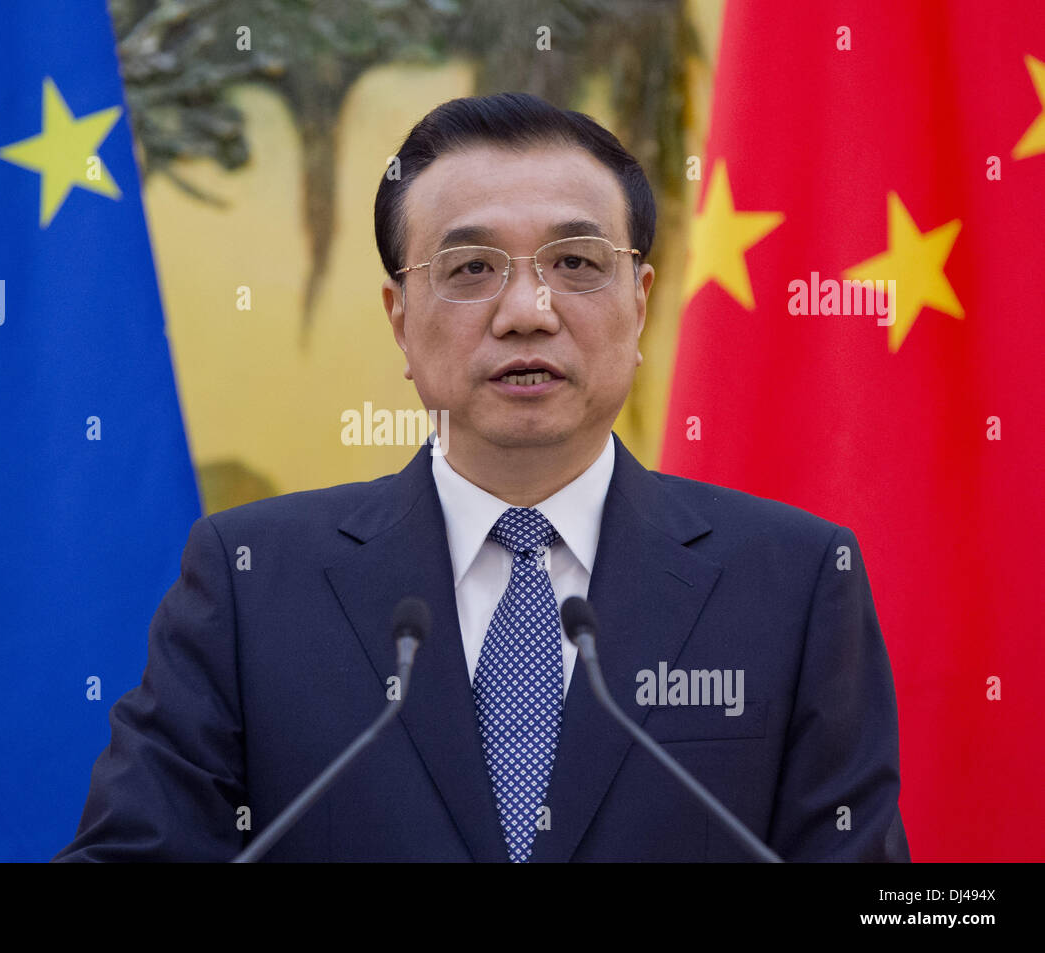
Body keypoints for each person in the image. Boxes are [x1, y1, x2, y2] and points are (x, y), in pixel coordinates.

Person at [54, 92, 909, 862]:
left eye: (575, 264)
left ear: (640, 301)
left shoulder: (793, 584)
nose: (527, 312)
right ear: (399, 320)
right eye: (470, 270)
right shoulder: (251, 580)